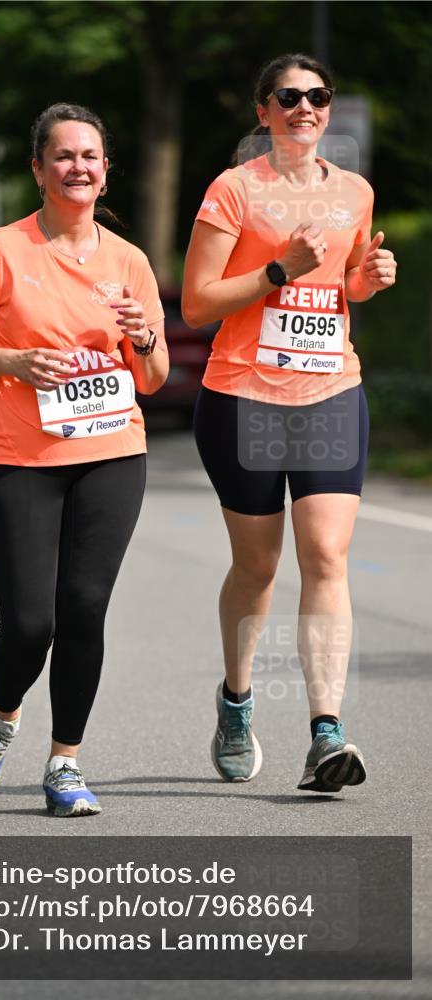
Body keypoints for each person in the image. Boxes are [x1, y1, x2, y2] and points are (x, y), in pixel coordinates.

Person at [0, 103, 168, 816]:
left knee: (84, 607)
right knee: (30, 620)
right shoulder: (1, 250)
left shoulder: (127, 261)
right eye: (63, 155)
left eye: (90, 156)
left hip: (110, 453)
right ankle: (2, 717)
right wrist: (13, 361)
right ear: (38, 170)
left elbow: (152, 380)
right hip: (19, 457)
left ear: (104, 172)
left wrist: (143, 339)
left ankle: (65, 762)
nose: (78, 167)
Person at [182, 54, 397, 793]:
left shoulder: (355, 193)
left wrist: (359, 285)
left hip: (330, 391)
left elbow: (340, 288)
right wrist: (277, 268)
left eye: (317, 97)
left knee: (327, 557)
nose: (304, 107)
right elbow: (197, 303)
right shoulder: (232, 190)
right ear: (262, 110)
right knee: (258, 567)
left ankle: (324, 733)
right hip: (243, 395)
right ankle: (236, 701)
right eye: (288, 97)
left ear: (327, 110)